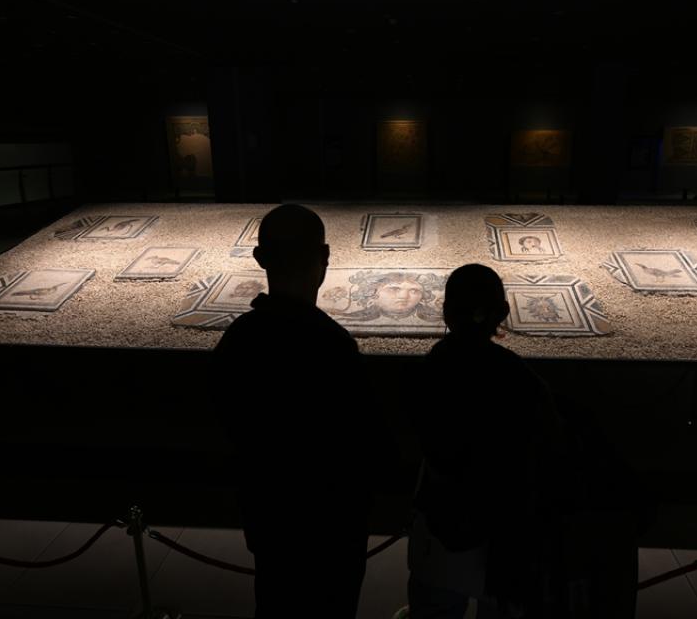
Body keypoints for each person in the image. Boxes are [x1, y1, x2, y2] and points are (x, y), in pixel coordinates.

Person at [212, 204, 377, 618]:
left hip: (269, 520)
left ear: (259, 258)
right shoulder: (335, 348)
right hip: (330, 529)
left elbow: (229, 426)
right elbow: (364, 447)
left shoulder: (238, 341)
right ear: (324, 258)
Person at [405, 264, 561, 619]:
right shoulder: (523, 380)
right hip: (505, 537)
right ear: (502, 313)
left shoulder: (429, 371)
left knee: (434, 606)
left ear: (445, 312)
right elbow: (548, 449)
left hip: (443, 529)